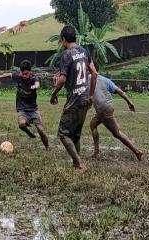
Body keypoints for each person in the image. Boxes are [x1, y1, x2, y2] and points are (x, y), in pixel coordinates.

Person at [50, 26, 98, 172]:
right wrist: (90, 94)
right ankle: (76, 163)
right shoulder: (84, 52)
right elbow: (94, 74)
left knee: (63, 134)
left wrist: (54, 93)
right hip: (85, 98)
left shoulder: (66, 54)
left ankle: (79, 164)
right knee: (76, 134)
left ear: (63, 39)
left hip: (74, 99)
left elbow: (62, 78)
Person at [0, 60, 49, 149]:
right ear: (20, 71)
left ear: (30, 72)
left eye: (26, 73)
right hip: (21, 108)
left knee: (41, 131)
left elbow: (37, 83)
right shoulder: (18, 76)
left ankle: (47, 147)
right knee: (21, 124)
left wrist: (35, 86)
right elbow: (8, 74)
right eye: (23, 73)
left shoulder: (34, 78)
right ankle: (29, 133)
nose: (24, 75)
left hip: (33, 109)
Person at [90, 75, 143, 161]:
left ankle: (137, 152)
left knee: (117, 133)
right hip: (107, 107)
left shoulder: (88, 78)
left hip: (103, 109)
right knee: (93, 124)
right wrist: (129, 102)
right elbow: (119, 91)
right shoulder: (105, 80)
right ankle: (96, 152)